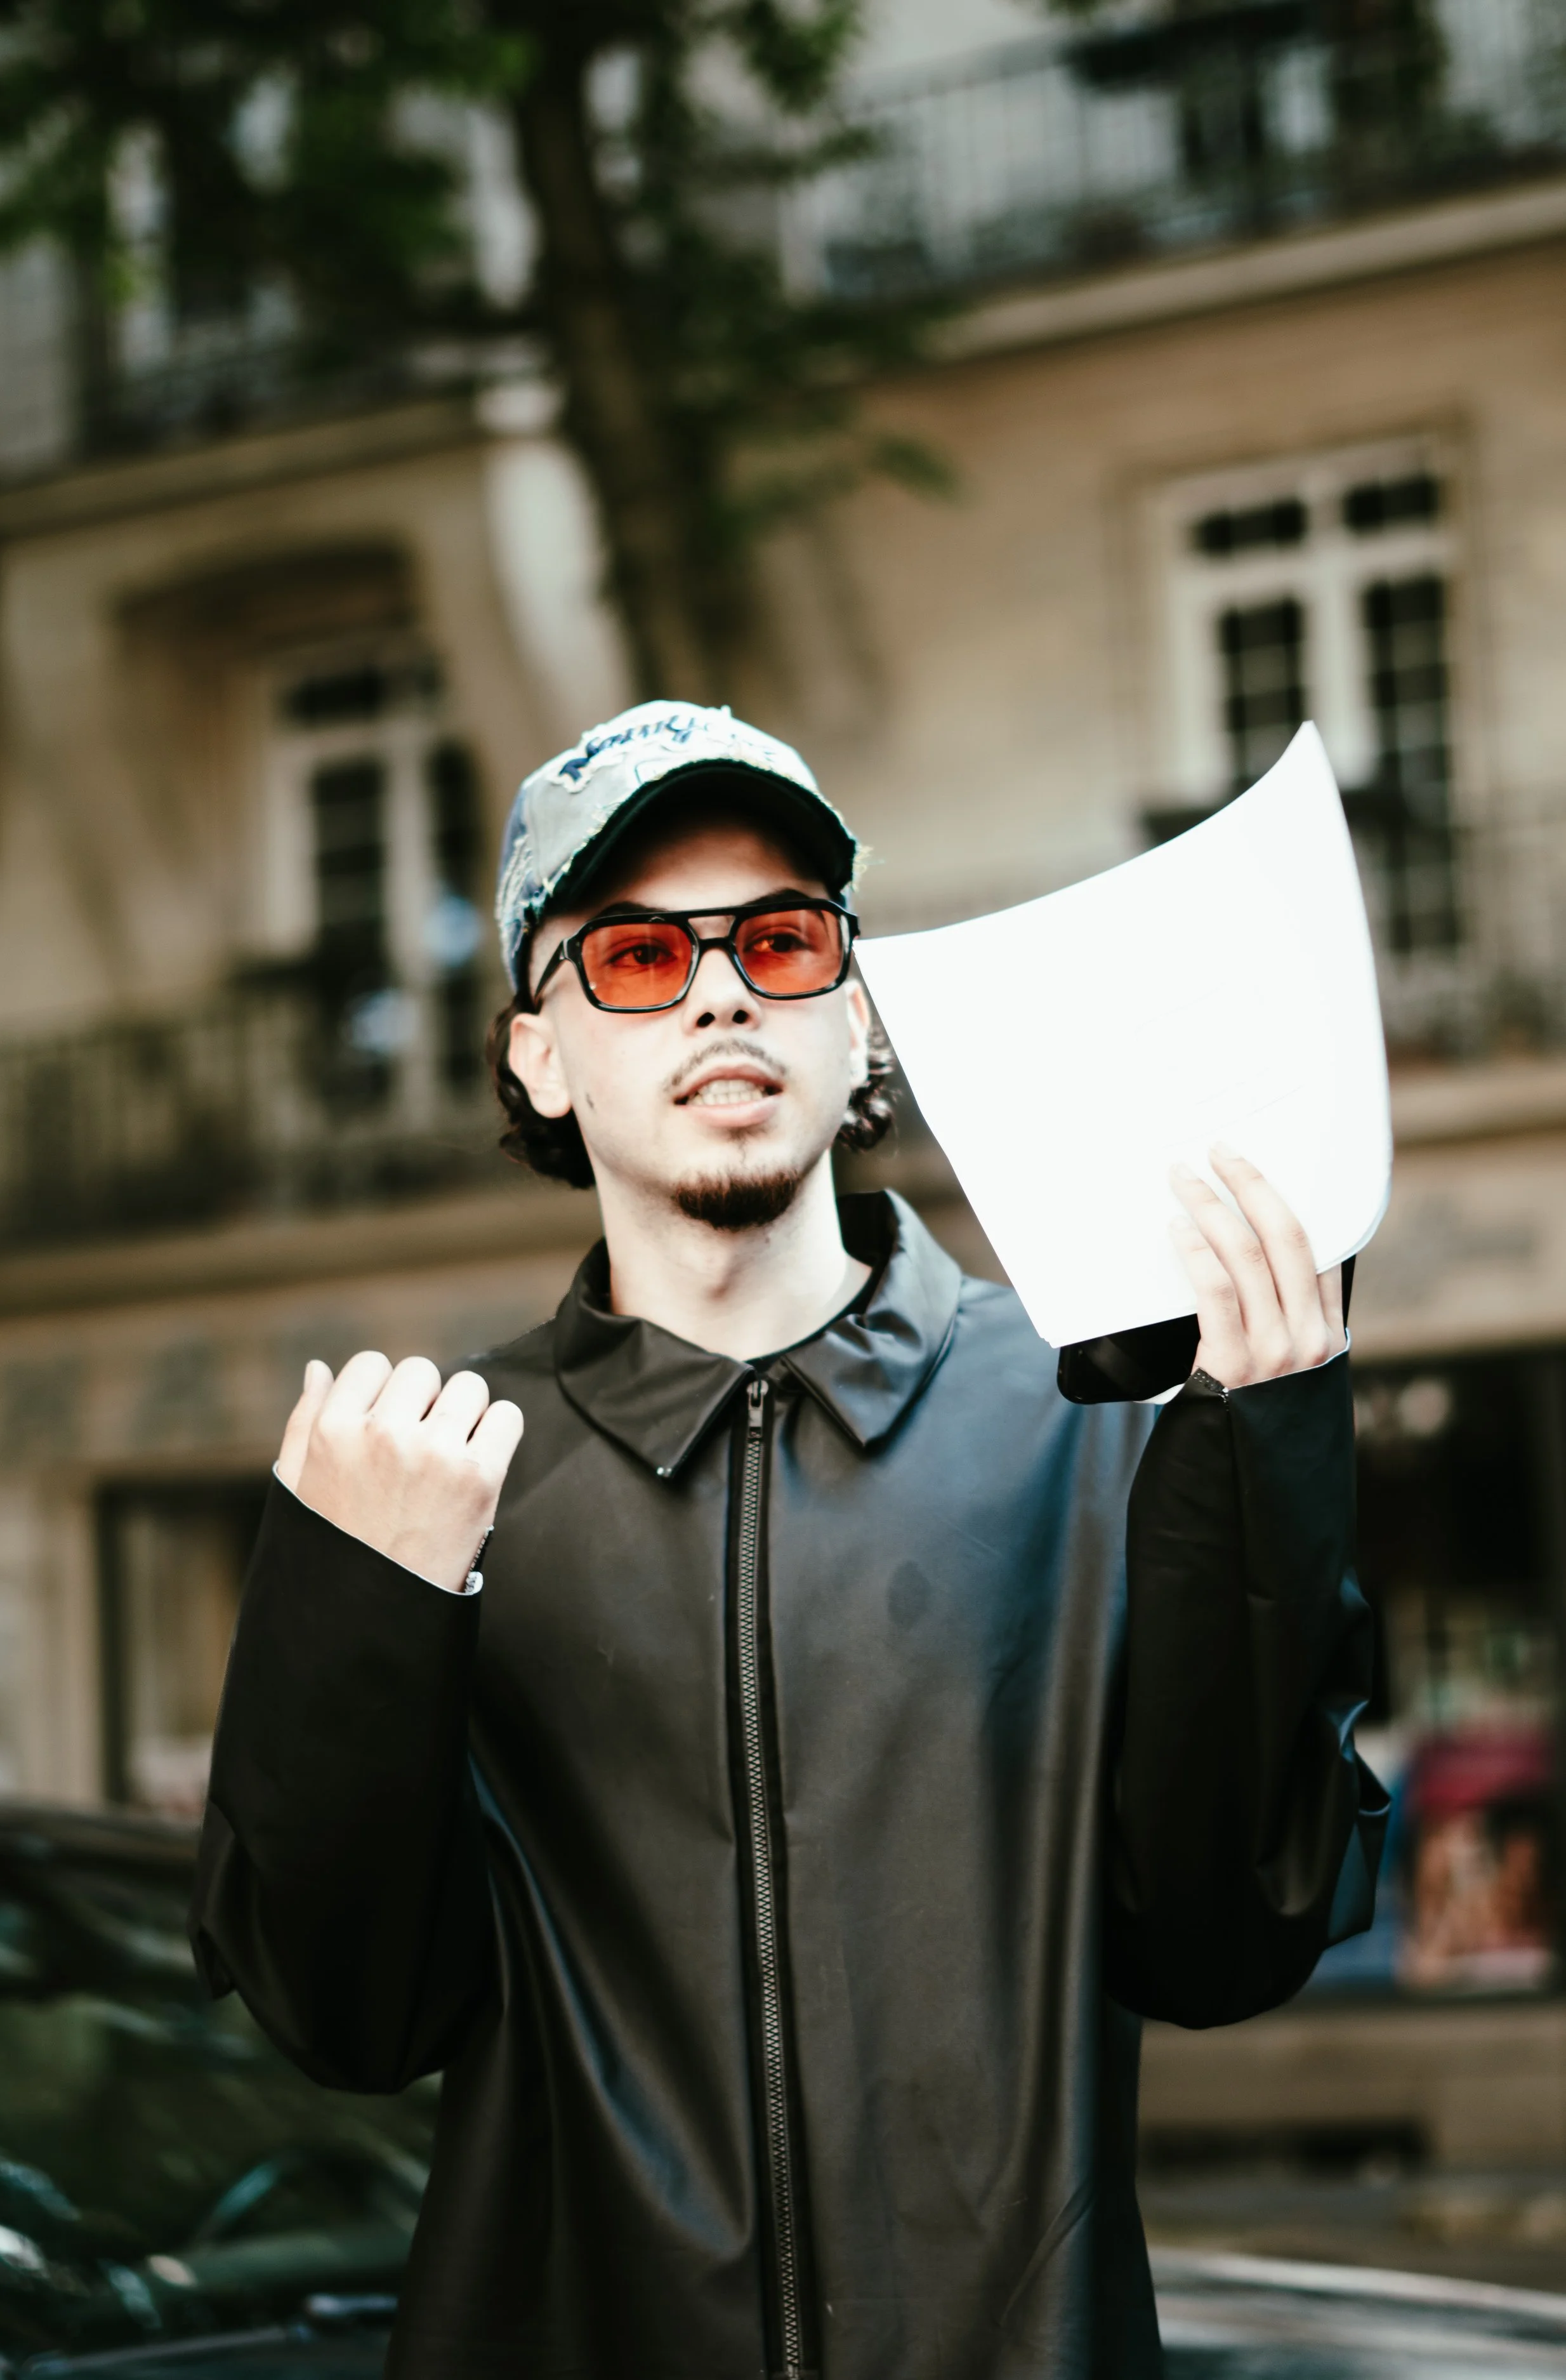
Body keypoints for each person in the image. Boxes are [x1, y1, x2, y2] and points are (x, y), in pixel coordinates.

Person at [190, 700, 1387, 2380]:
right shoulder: (427, 1481)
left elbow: (1223, 1933)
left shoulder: (1092, 1410)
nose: (716, 988)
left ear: (854, 1022)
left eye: (777, 937)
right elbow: (343, 2016)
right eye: (630, 956)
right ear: (537, 1050)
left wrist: (1264, 1442)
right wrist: (362, 1611)